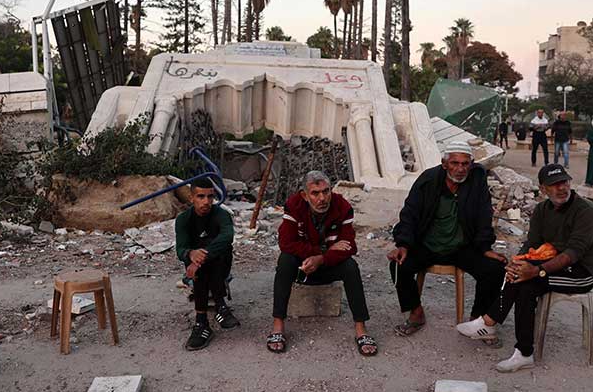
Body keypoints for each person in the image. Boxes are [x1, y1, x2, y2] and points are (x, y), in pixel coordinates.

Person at [456, 164, 593, 373]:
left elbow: (574, 254)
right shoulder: (543, 209)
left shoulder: (586, 211)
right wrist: (517, 262)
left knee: (528, 279)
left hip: (582, 272)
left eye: (564, 182)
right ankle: (523, 353)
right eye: (554, 185)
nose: (562, 188)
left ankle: (489, 323)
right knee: (522, 280)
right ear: (543, 189)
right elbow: (532, 243)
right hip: (554, 265)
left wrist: (536, 270)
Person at [388, 141, 507, 337]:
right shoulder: (428, 180)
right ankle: (416, 313)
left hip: (462, 247)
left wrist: (485, 247)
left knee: (494, 269)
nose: (460, 169)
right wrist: (403, 244)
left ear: (471, 164)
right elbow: (410, 213)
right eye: (455, 163)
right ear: (444, 164)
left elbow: (484, 214)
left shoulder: (476, 179)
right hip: (428, 245)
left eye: (465, 164)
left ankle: (478, 320)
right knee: (399, 265)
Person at [267, 171, 377, 356]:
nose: (322, 198)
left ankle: (361, 329)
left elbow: (349, 247)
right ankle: (278, 326)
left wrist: (322, 259)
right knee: (285, 260)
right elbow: (286, 243)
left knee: (350, 266)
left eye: (326, 192)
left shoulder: (342, 207)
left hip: (327, 267)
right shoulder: (294, 205)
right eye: (315, 193)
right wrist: (324, 252)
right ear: (304, 195)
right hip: (303, 268)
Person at [176, 178, 240, 351]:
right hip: (196, 266)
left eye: (210, 197)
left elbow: (227, 238)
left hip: (219, 263)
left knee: (214, 256)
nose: (206, 201)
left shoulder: (222, 215)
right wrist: (190, 254)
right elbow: (180, 249)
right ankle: (215, 312)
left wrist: (201, 257)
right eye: (201, 196)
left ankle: (203, 320)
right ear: (191, 198)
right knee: (201, 265)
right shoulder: (183, 219)